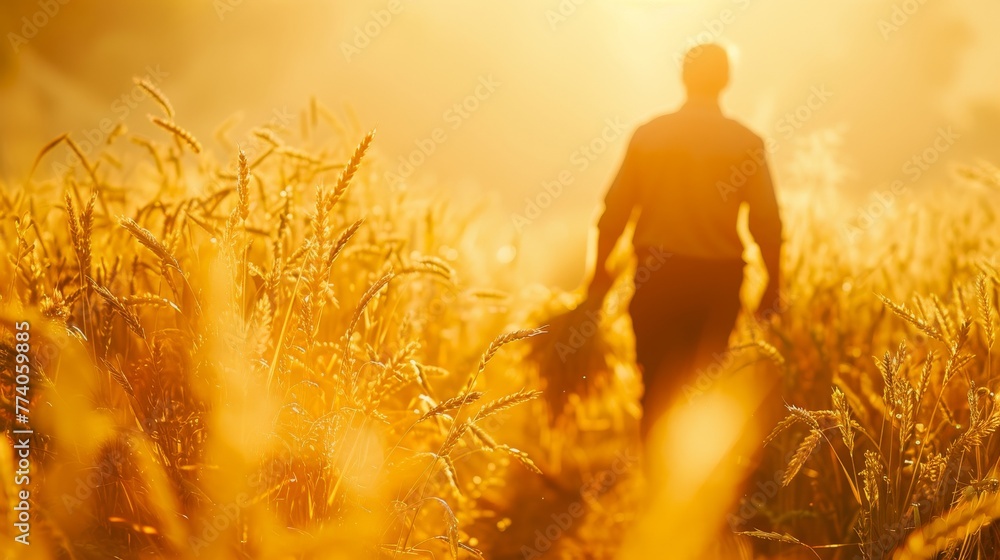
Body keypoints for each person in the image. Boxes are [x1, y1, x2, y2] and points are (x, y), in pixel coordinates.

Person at [584, 43, 784, 444]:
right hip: (717, 283)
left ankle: (658, 486)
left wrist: (599, 278)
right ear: (726, 80)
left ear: (683, 77)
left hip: (657, 278)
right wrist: (773, 285)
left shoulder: (648, 135)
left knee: (655, 383)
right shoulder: (746, 142)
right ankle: (692, 491)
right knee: (703, 386)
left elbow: (614, 212)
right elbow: (767, 222)